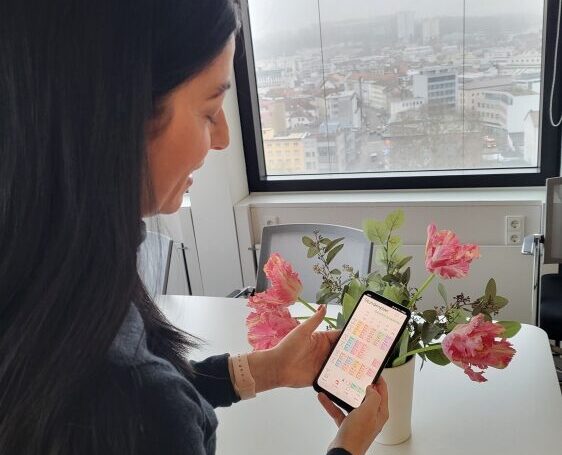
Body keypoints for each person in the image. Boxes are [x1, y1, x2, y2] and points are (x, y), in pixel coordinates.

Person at [0, 1, 389, 454]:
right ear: (122, 114)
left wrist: (269, 369)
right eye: (209, 111)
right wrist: (349, 446)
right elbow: (153, 407)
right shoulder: (138, 405)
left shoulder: (45, 278)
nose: (223, 137)